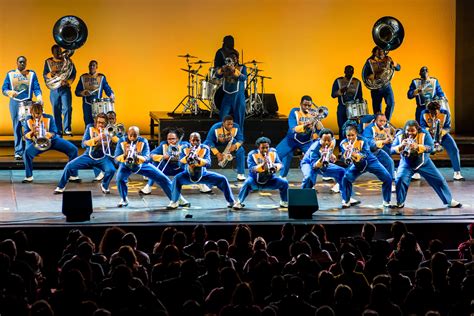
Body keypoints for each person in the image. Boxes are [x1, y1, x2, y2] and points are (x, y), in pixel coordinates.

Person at [390, 120, 462, 208]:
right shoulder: (400, 135)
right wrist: (400, 146)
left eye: (412, 130)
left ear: (418, 129)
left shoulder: (425, 134)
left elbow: (431, 148)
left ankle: (449, 200)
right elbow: (391, 150)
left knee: (439, 180)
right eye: (408, 130)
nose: (410, 133)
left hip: (424, 162)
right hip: (406, 163)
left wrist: (418, 146)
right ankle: (400, 202)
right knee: (400, 179)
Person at [114, 126, 182, 207]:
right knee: (119, 179)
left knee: (162, 178)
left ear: (138, 135)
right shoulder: (121, 141)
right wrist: (125, 155)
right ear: (127, 134)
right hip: (125, 165)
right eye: (130, 135)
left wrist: (137, 156)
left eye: (135, 135)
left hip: (141, 164)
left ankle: (176, 199)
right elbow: (116, 159)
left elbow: (147, 158)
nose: (132, 138)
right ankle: (124, 199)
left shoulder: (143, 141)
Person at [167, 132, 235, 209]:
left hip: (203, 174)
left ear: (200, 140)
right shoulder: (184, 148)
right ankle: (174, 201)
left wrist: (199, 160)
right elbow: (180, 164)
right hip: (188, 174)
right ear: (190, 140)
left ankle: (231, 201)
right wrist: (187, 158)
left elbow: (208, 163)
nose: (195, 142)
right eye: (193, 140)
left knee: (222, 179)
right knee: (176, 179)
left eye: (197, 140)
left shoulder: (205, 148)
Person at [54, 113, 116, 194]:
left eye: (102, 123)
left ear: (106, 123)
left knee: (111, 170)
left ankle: (104, 185)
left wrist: (110, 136)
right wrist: (97, 139)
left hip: (102, 158)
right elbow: (83, 144)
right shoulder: (90, 127)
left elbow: (118, 141)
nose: (100, 125)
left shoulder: (110, 129)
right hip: (89, 156)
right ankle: (60, 186)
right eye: (98, 122)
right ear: (95, 122)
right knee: (69, 166)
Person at [340, 120, 393, 208]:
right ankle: (346, 201)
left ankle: (386, 201)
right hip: (358, 165)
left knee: (387, 178)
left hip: (371, 162)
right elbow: (345, 158)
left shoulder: (363, 140)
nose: (350, 137)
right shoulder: (343, 143)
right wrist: (346, 155)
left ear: (356, 133)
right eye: (348, 135)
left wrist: (353, 153)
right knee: (346, 179)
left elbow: (365, 154)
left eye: (352, 135)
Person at [22, 102, 78, 183]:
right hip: (38, 143)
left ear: (42, 112)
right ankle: (29, 176)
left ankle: (73, 175)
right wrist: (32, 132)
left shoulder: (49, 118)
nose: (37, 116)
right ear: (31, 112)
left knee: (73, 149)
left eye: (39, 114)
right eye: (34, 114)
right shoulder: (28, 119)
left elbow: (54, 132)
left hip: (53, 141)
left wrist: (45, 134)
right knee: (27, 153)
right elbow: (25, 135)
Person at [2, 56, 43, 159]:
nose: (22, 64)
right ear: (16, 63)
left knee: (29, 127)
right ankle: (18, 152)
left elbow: (36, 87)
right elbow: (4, 88)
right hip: (15, 103)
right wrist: (9, 92)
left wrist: (39, 96)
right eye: (20, 62)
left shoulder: (31, 74)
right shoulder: (10, 74)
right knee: (16, 127)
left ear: (26, 63)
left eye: (24, 62)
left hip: (27, 103)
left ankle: (29, 151)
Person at [233, 137, 288, 209]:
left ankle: (284, 201)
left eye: (267, 147)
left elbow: (281, 165)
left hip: (270, 180)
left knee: (284, 182)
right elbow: (251, 169)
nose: (265, 150)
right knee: (247, 182)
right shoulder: (252, 154)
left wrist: (275, 166)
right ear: (258, 147)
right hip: (255, 181)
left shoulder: (273, 153)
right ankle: (239, 202)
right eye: (263, 148)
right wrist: (262, 165)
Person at [276, 95, 323, 179]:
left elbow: (320, 131)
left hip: (306, 142)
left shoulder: (314, 114)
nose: (307, 107)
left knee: (315, 156)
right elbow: (293, 128)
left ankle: (324, 173)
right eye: (305, 105)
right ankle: (281, 176)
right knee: (276, 154)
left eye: (309, 105)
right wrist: (305, 126)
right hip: (291, 140)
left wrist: (317, 120)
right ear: (300, 104)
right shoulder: (294, 112)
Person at [420, 101, 464, 181]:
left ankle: (457, 173)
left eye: (435, 113)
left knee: (454, 149)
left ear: (439, 110)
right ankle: (416, 173)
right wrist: (429, 131)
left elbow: (447, 127)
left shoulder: (445, 113)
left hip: (442, 135)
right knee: (418, 149)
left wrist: (440, 133)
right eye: (431, 113)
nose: (433, 115)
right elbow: (422, 126)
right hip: (428, 135)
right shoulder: (423, 113)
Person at [140, 127, 188, 195]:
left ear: (177, 139)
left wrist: (179, 157)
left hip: (181, 168)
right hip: (167, 168)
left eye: (173, 139)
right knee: (155, 164)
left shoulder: (185, 145)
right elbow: (151, 154)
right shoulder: (164, 145)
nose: (171, 141)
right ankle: (148, 187)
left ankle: (202, 185)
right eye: (169, 139)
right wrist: (163, 157)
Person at [300, 128, 346, 197]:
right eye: (324, 140)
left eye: (328, 140)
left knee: (342, 171)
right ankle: (304, 195)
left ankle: (346, 198)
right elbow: (315, 166)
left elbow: (329, 149)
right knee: (309, 177)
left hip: (323, 163)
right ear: (320, 139)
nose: (327, 142)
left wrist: (331, 155)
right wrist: (322, 158)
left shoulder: (332, 141)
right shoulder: (314, 148)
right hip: (309, 163)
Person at [43, 44, 76, 136]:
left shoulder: (68, 60)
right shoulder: (48, 61)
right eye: (56, 51)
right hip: (54, 89)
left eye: (59, 50)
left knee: (67, 108)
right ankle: (58, 130)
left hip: (65, 88)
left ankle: (67, 129)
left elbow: (73, 73)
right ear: (52, 52)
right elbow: (45, 74)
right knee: (56, 109)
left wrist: (68, 82)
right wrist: (50, 74)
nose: (58, 53)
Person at [363, 46, 401, 121]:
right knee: (377, 108)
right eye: (379, 51)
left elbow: (398, 68)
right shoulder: (369, 61)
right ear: (374, 52)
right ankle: (378, 123)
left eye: (383, 52)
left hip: (386, 86)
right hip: (375, 88)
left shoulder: (388, 59)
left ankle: (386, 121)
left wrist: (396, 65)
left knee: (391, 103)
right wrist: (371, 78)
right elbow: (364, 75)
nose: (381, 53)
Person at [204, 115, 246, 181]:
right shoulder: (215, 127)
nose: (230, 126)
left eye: (231, 124)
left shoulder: (236, 127)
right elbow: (209, 140)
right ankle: (202, 171)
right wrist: (217, 153)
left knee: (241, 150)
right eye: (228, 124)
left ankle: (241, 174)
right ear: (223, 123)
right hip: (216, 143)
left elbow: (241, 139)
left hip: (230, 143)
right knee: (204, 145)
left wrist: (235, 146)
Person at [75, 60, 115, 127]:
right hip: (86, 103)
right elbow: (77, 92)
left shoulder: (101, 77)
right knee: (88, 122)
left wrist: (111, 95)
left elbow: (107, 88)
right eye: (90, 65)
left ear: (96, 67)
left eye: (93, 65)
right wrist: (82, 93)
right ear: (88, 67)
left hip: (98, 104)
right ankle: (88, 136)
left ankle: (100, 136)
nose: (92, 67)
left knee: (99, 122)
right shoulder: (83, 77)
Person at [216, 50, 247, 132]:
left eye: (234, 57)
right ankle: (222, 137)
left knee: (239, 119)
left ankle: (239, 139)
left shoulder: (242, 67)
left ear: (237, 59)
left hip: (238, 96)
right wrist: (222, 69)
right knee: (223, 117)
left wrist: (234, 70)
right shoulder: (224, 67)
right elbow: (217, 75)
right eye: (230, 58)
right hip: (227, 96)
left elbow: (244, 78)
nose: (232, 59)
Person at [362, 113, 395, 187]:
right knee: (355, 169)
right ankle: (340, 183)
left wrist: (390, 138)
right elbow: (369, 144)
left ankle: (389, 183)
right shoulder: (370, 129)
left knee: (389, 162)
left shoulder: (387, 128)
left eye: (384, 121)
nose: (383, 123)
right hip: (367, 152)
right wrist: (383, 141)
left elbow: (390, 144)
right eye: (380, 121)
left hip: (378, 151)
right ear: (375, 121)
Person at [331, 65, 363, 137]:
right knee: (342, 128)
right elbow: (333, 95)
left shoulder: (357, 82)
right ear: (344, 71)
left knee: (353, 128)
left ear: (353, 72)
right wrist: (340, 91)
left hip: (353, 109)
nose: (349, 73)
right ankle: (341, 145)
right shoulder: (338, 81)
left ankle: (352, 146)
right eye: (348, 71)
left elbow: (360, 97)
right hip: (342, 107)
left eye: (351, 71)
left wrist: (359, 112)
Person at [213, 35, 235, 111]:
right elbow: (217, 67)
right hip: (222, 76)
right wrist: (223, 69)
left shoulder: (235, 52)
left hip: (233, 77)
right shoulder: (220, 52)